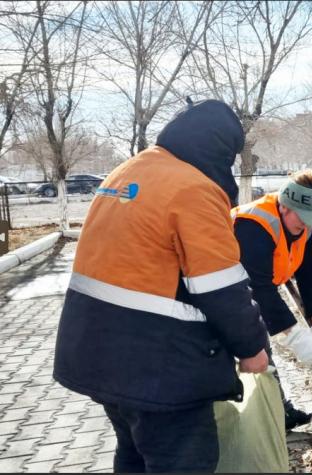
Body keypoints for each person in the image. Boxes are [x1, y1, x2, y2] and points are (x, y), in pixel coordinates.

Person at [53, 99, 270, 473]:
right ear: (219, 148)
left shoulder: (127, 172)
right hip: (160, 373)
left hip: (101, 357)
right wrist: (253, 348)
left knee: (133, 455)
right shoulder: (193, 189)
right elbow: (220, 287)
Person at [231, 170, 312, 432]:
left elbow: (309, 273)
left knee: (261, 350)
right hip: (225, 292)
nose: (306, 227)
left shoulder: (305, 227)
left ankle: (279, 412)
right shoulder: (253, 225)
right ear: (285, 207)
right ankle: (246, 420)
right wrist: (295, 336)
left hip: (256, 289)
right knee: (254, 349)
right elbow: (259, 288)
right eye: (302, 220)